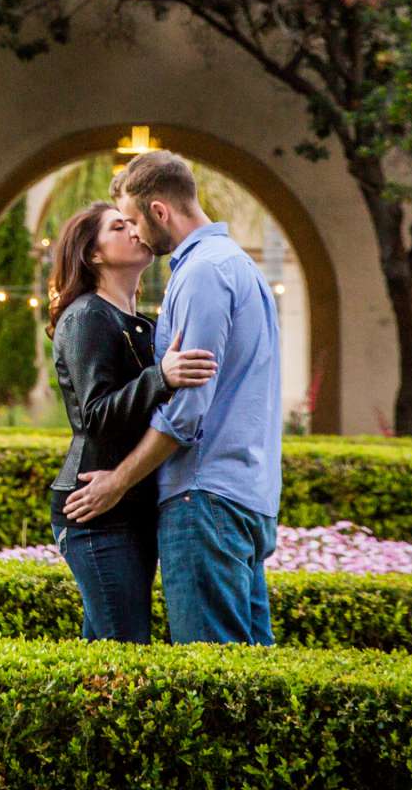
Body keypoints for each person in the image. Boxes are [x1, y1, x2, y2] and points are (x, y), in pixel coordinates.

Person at [61, 150, 283, 645]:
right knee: (251, 681)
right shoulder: (240, 266)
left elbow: (186, 413)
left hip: (203, 494)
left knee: (209, 677)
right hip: (250, 492)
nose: (135, 234)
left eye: (135, 221)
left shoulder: (202, 273)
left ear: (160, 212)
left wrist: (117, 481)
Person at [44, 200, 218, 642]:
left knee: (107, 650)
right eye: (118, 227)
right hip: (96, 511)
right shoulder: (87, 317)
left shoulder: (135, 322)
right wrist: (161, 377)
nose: (133, 231)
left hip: (129, 506)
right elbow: (97, 415)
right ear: (93, 255)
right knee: (124, 650)